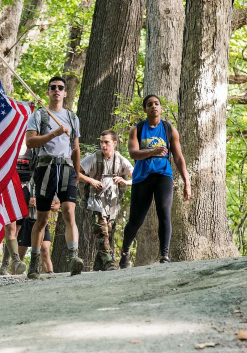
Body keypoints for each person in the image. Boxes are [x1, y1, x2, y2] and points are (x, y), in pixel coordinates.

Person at [120, 95, 191, 268]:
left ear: (161, 108)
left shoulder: (169, 129)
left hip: (163, 176)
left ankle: (164, 255)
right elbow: (133, 153)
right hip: (142, 177)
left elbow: (179, 158)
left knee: (164, 213)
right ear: (145, 109)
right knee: (136, 220)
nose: (154, 107)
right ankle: (125, 252)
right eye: (150, 105)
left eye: (156, 104)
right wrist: (152, 151)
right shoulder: (136, 129)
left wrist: (187, 182)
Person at [25, 76, 82, 279]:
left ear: (65, 93)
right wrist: (54, 133)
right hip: (45, 167)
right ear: (48, 92)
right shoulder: (39, 115)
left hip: (66, 168)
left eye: (61, 88)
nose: (57, 90)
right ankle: (33, 261)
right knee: (42, 218)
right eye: (53, 87)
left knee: (68, 212)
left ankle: (74, 256)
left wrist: (77, 171)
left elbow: (75, 148)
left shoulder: (73, 118)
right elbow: (30, 142)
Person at [79, 130, 133, 271]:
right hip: (95, 202)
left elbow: (138, 176)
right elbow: (75, 171)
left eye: (107, 142)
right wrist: (90, 179)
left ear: (114, 143)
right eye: (101, 142)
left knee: (108, 234)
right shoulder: (93, 158)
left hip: (113, 205)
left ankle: (98, 267)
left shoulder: (120, 160)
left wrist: (125, 182)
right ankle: (110, 263)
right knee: (102, 233)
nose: (103, 145)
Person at [0, 183, 58, 276]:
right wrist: (26, 201)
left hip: (41, 221)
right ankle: (16, 277)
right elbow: (12, 198)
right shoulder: (22, 180)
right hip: (25, 220)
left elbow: (56, 201)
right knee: (20, 254)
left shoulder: (46, 176)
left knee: (45, 249)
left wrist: (55, 205)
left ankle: (50, 275)